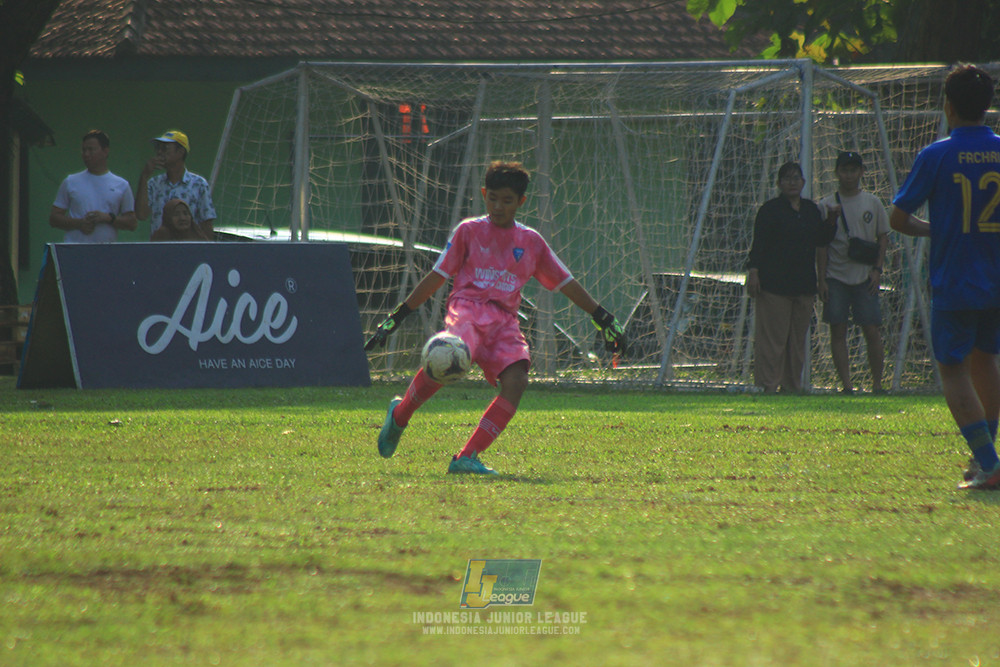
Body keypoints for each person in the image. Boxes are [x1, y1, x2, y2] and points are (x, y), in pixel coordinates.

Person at [365, 161, 626, 475]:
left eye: (507, 200)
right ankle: (400, 415)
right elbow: (437, 275)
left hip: (504, 320)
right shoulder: (469, 231)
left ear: (521, 202)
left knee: (517, 381)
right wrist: (398, 316)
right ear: (483, 194)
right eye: (493, 198)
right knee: (448, 359)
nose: (498, 206)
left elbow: (566, 282)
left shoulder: (531, 242)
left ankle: (466, 457)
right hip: (467, 310)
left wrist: (602, 316)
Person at [890, 64, 1000, 490]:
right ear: (988, 105)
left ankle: (989, 463)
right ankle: (984, 458)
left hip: (956, 278)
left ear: (948, 106)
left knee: (953, 370)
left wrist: (934, 229)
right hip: (996, 277)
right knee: (986, 360)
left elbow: (899, 218)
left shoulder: (936, 154)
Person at [746, 161, 837, 394]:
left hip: (803, 284)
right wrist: (753, 272)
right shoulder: (770, 210)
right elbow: (758, 245)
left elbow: (821, 240)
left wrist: (832, 220)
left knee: (797, 341)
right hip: (774, 285)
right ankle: (767, 386)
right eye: (787, 178)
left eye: (796, 178)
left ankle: (792, 386)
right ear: (779, 183)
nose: (792, 182)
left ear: (803, 182)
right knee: (773, 340)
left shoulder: (811, 210)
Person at [816, 151, 890, 394]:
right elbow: (822, 245)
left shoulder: (872, 202)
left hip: (865, 277)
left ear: (861, 172)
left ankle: (877, 384)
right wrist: (822, 279)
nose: (849, 175)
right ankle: (847, 385)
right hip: (836, 276)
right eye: (844, 170)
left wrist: (877, 270)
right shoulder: (826, 204)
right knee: (837, 329)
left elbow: (882, 238)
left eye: (853, 170)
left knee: (872, 329)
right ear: (837, 173)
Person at [49, 130, 138, 243]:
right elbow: (54, 218)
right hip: (75, 249)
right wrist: (79, 223)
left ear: (105, 151)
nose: (86, 154)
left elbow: (132, 223)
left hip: (105, 250)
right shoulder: (70, 181)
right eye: (84, 150)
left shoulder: (121, 185)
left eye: (91, 150)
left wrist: (108, 218)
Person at [136, 130, 217, 240]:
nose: (159, 152)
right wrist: (144, 176)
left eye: (164, 148)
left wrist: (207, 248)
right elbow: (141, 215)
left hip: (189, 248)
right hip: (160, 247)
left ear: (180, 152)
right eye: (158, 148)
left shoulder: (198, 184)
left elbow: (206, 223)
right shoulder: (154, 183)